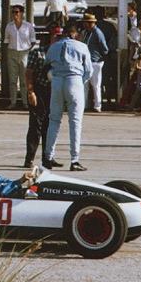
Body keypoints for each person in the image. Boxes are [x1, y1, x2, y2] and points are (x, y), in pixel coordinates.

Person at [43, 23, 93, 171]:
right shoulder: (82, 46)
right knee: (75, 121)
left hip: (57, 81)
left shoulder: (54, 46)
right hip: (74, 79)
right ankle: (74, 159)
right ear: (76, 33)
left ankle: (48, 156)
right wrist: (80, 80)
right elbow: (89, 70)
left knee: (54, 119)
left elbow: (47, 64)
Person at [22, 44, 53, 169]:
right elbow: (29, 73)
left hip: (53, 91)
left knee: (50, 126)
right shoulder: (37, 52)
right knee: (36, 126)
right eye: (55, 36)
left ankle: (48, 157)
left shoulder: (61, 51)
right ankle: (29, 159)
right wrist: (31, 92)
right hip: (38, 90)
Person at [4, 5, 37, 109]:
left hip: (24, 53)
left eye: (17, 12)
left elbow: (33, 40)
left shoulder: (28, 26)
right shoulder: (9, 26)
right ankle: (13, 102)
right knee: (13, 80)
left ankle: (25, 102)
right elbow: (6, 41)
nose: (15, 14)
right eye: (13, 12)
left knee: (24, 80)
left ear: (22, 13)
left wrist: (27, 50)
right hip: (12, 52)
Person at [81, 13, 109, 112]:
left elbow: (104, 48)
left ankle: (97, 105)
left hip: (95, 61)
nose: (84, 25)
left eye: (86, 23)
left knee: (96, 84)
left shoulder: (97, 33)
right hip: (86, 61)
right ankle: (84, 105)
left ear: (90, 23)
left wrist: (99, 56)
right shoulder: (85, 32)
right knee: (85, 84)